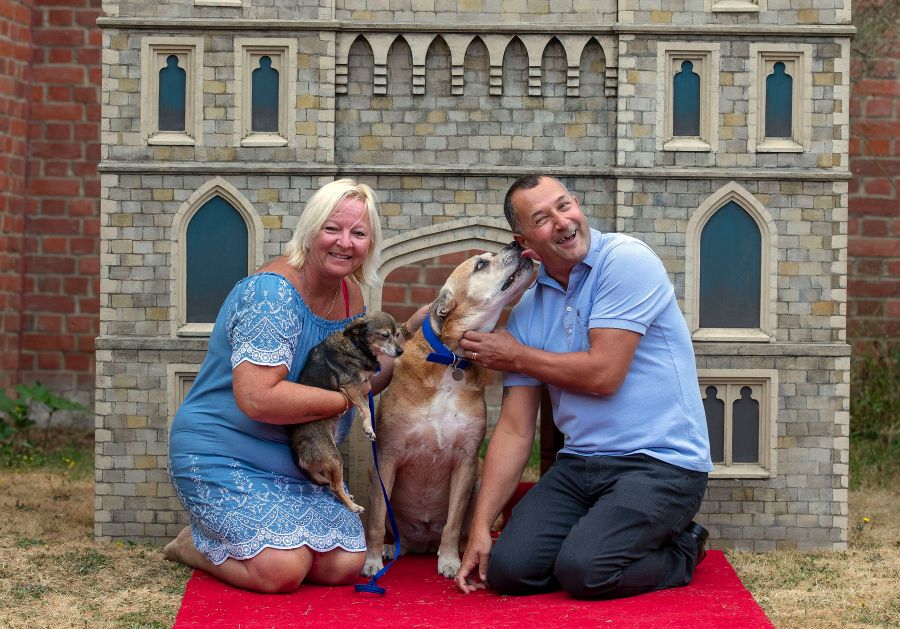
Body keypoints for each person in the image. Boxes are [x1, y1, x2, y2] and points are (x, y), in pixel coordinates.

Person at [454, 175, 713, 600]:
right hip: (580, 466)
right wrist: (481, 524)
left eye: (564, 205)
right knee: (509, 571)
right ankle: (598, 540)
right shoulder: (528, 311)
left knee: (586, 571)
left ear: (577, 204)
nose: (561, 221)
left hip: (661, 462)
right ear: (525, 244)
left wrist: (516, 356)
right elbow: (516, 430)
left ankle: (684, 547)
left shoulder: (626, 261)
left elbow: (603, 375)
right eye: (542, 218)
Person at [164, 178, 426, 594]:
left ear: (370, 243)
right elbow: (258, 398)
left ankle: (245, 543)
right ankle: (191, 544)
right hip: (223, 448)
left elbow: (368, 379)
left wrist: (408, 337)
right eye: (332, 229)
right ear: (309, 230)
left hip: (296, 457)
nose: (345, 243)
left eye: (358, 233)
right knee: (282, 571)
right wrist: (346, 399)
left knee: (344, 564)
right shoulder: (272, 294)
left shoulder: (351, 296)